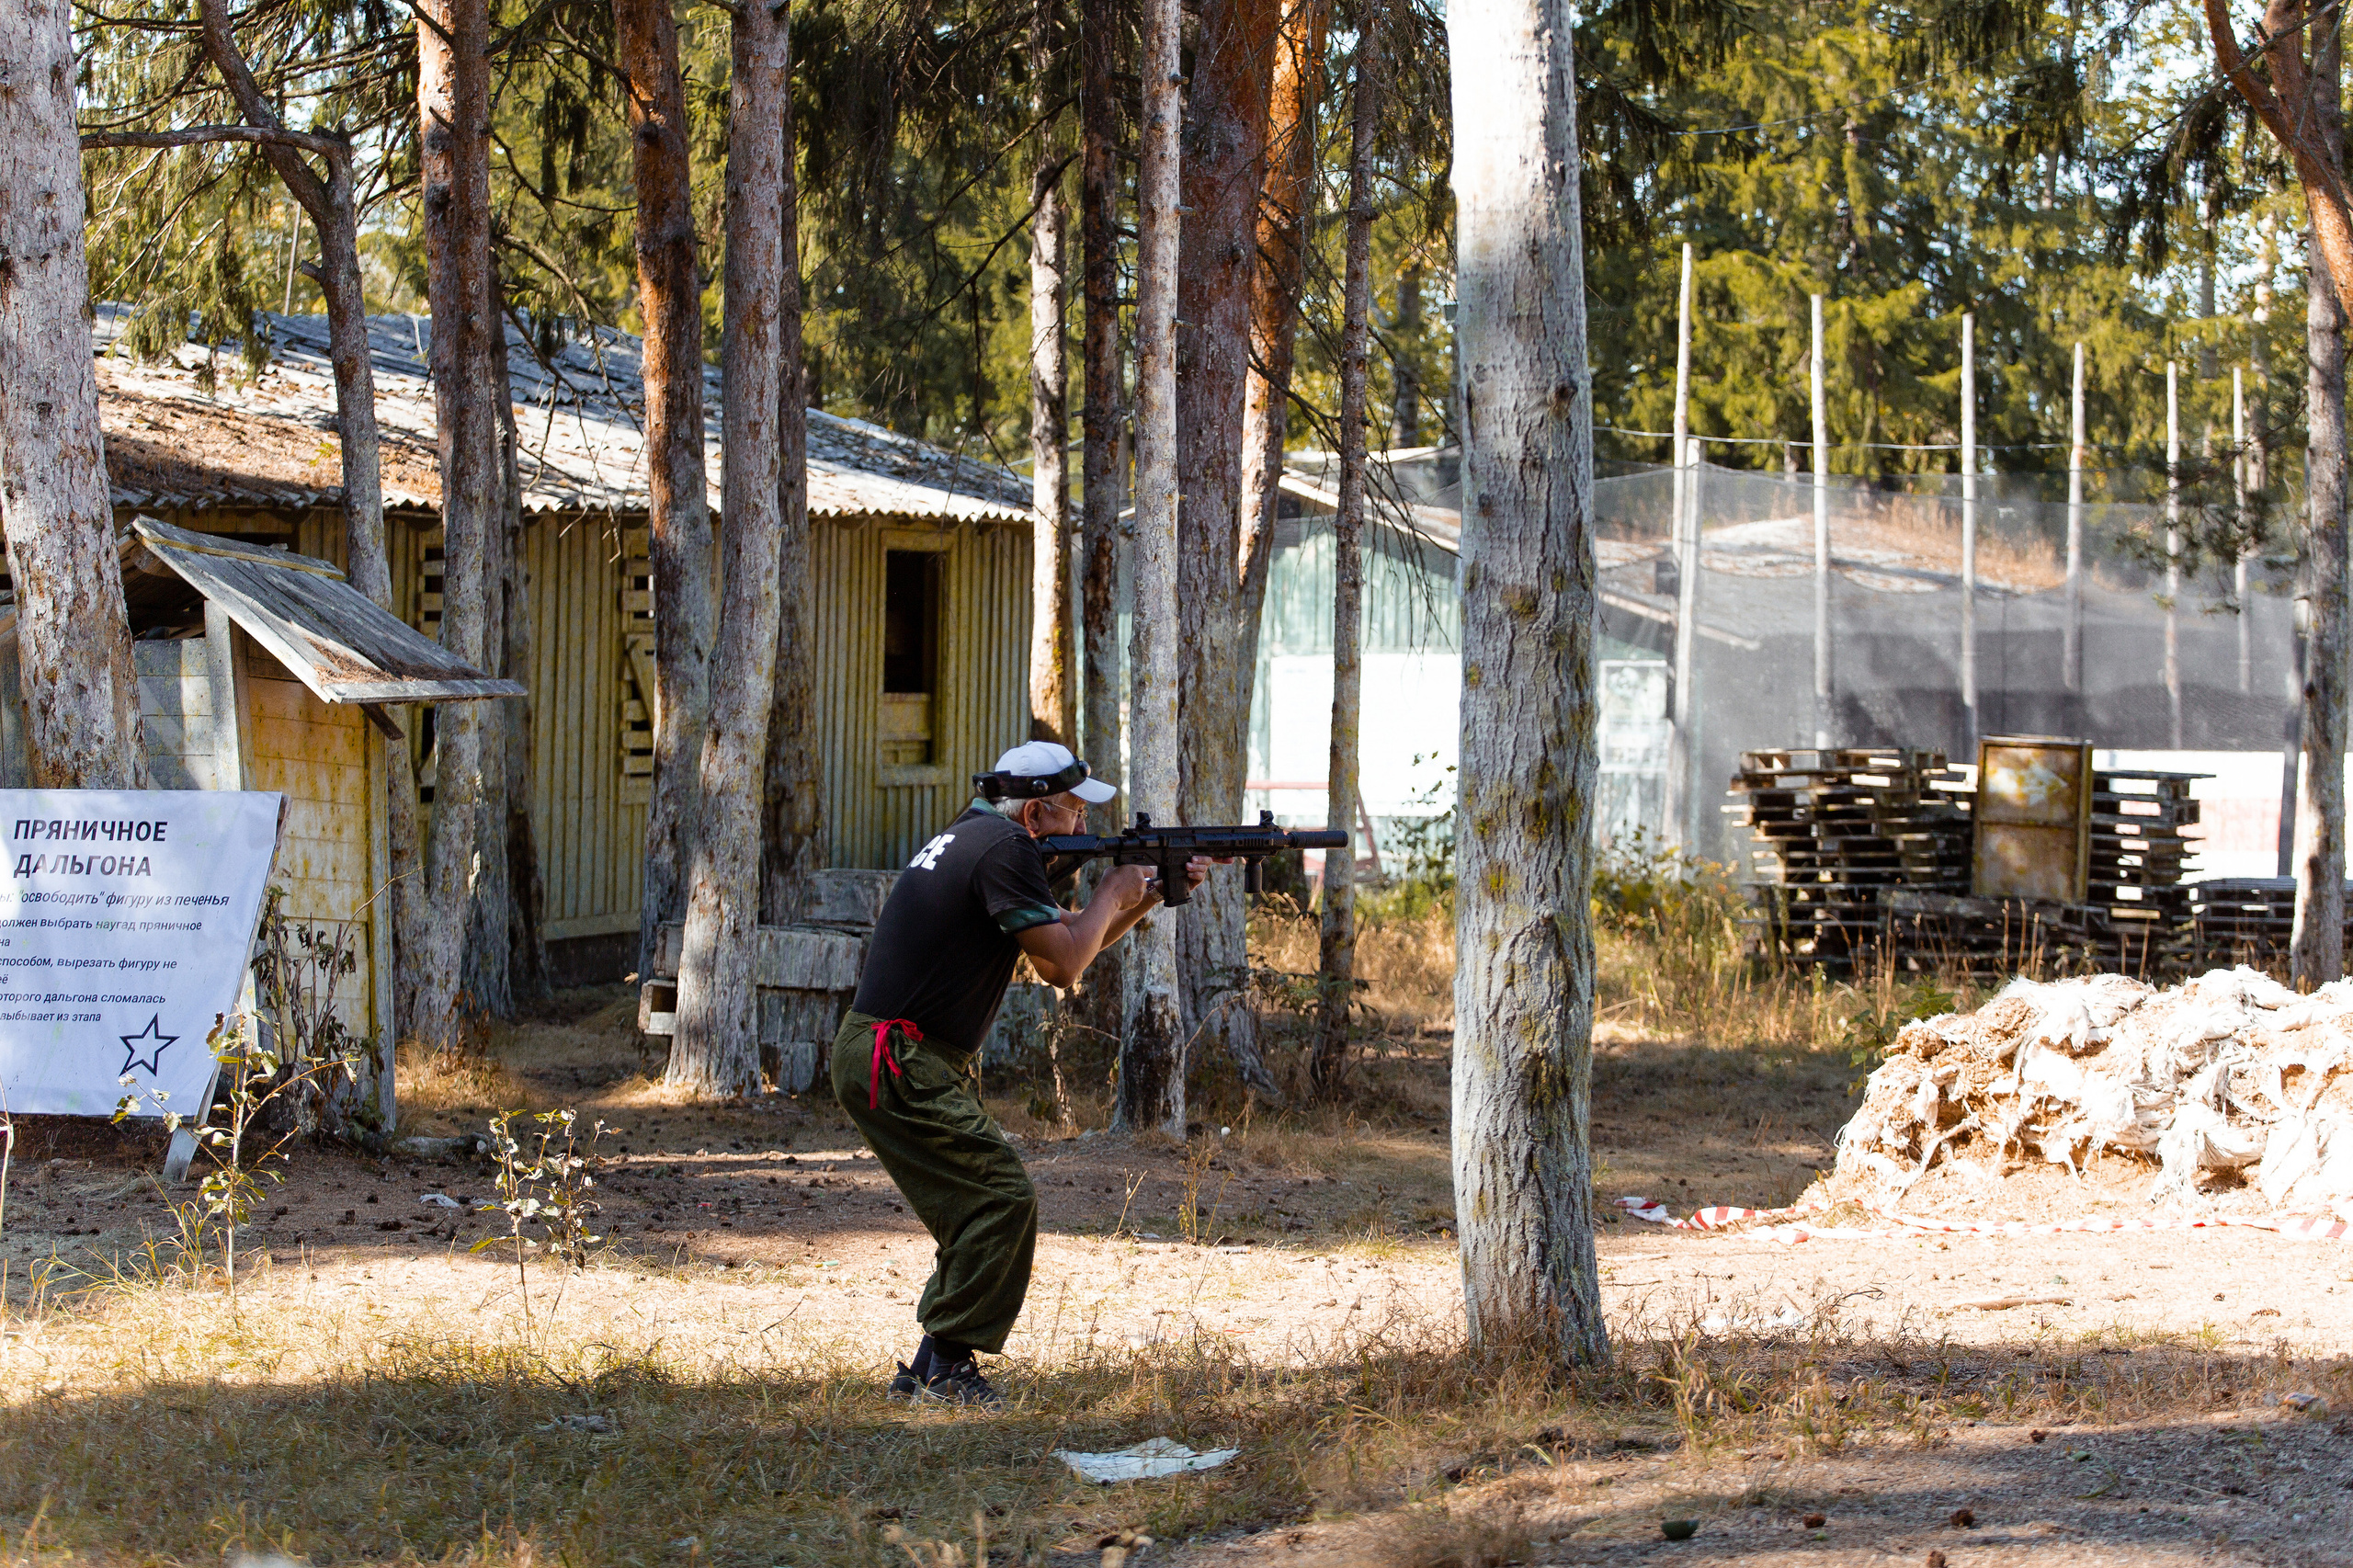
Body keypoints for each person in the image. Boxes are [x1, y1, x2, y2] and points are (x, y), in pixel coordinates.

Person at [832, 740, 1207, 1409]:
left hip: (894, 1055)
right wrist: (1117, 887)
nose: (1083, 830)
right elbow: (1062, 966)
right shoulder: (1004, 850)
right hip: (898, 1057)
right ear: (1034, 815)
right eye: (1072, 814)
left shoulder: (979, 838)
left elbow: (1068, 941)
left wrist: (1147, 897)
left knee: (972, 1208)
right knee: (999, 1198)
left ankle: (928, 1367)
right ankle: (948, 1369)